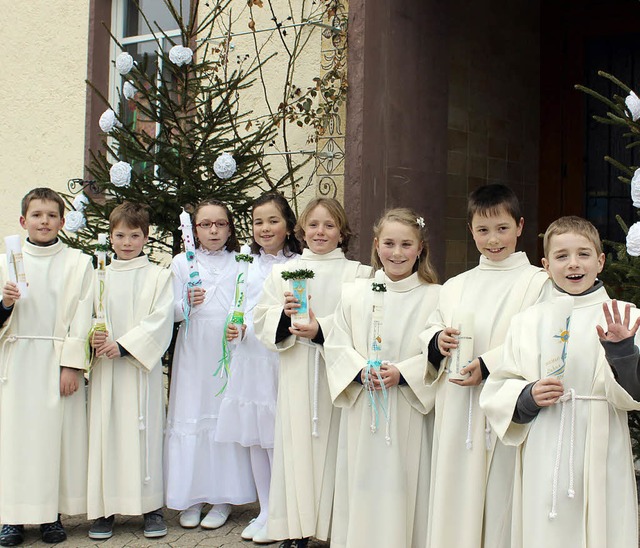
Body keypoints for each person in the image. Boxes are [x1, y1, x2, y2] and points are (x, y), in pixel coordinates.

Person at [480, 216, 640, 548]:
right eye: (561, 256)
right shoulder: (527, 321)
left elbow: (634, 395)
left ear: (600, 261)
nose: (573, 264)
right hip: (545, 443)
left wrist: (622, 351)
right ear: (545, 265)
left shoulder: (625, 315)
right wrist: (527, 395)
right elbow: (499, 385)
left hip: (602, 441)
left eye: (583, 254)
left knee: (603, 528)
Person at [420, 184, 549, 548]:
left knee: (499, 496)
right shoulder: (456, 285)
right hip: (458, 402)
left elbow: (539, 339)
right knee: (456, 493)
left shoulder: (538, 283)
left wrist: (489, 364)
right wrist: (437, 341)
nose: (493, 240)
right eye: (482, 230)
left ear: (520, 226)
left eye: (502, 228)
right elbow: (433, 325)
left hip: (503, 408)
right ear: (471, 230)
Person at [254, 197, 372, 548]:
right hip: (297, 372)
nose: (321, 232)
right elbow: (260, 318)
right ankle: (296, 529)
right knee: (296, 449)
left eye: (330, 225)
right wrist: (284, 316)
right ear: (301, 230)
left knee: (339, 450)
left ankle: (336, 528)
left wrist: (322, 329)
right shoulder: (282, 273)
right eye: (314, 225)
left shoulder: (359, 275)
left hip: (338, 376)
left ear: (342, 232)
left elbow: (363, 323)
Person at [324, 208, 440, 548]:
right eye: (389, 243)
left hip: (407, 408)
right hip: (363, 406)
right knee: (362, 484)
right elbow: (336, 342)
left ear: (420, 248)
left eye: (407, 244)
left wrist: (404, 373)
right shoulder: (354, 293)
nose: (397, 253)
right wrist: (359, 370)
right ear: (376, 245)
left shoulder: (436, 296)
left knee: (404, 484)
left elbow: (437, 350)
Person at [0, 188, 93, 546]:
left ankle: (51, 515)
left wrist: (71, 364)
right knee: (15, 442)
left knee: (54, 442)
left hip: (56, 363)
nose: (44, 221)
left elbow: (83, 315)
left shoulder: (77, 262)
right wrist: (5, 303)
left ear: (62, 222)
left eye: (51, 215)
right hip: (16, 361)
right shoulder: (7, 260)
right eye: (37, 215)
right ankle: (12, 518)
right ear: (24, 220)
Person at [216, 192, 301, 544]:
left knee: (276, 435)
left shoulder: (298, 263)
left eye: (272, 220)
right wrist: (233, 328)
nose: (264, 228)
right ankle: (264, 508)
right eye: (257, 222)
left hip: (280, 355)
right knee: (253, 435)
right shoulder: (242, 263)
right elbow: (234, 305)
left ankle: (283, 509)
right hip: (248, 355)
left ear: (288, 225)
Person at [165, 199, 255, 530]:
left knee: (223, 417)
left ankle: (223, 497)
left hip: (229, 349)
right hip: (194, 350)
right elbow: (169, 312)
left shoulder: (242, 260)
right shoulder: (180, 263)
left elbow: (249, 301)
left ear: (230, 228)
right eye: (205, 225)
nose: (214, 230)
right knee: (193, 413)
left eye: (220, 224)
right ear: (194, 230)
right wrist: (184, 304)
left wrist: (242, 326)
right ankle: (192, 495)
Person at [87, 202, 174, 540]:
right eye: (120, 235)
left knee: (145, 433)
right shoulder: (99, 276)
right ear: (110, 237)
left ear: (145, 237)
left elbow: (161, 319)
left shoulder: (158, 276)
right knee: (106, 434)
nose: (126, 242)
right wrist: (93, 340)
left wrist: (123, 346)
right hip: (106, 371)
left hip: (139, 371)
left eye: (134, 235)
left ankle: (151, 508)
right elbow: (84, 315)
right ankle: (105, 510)